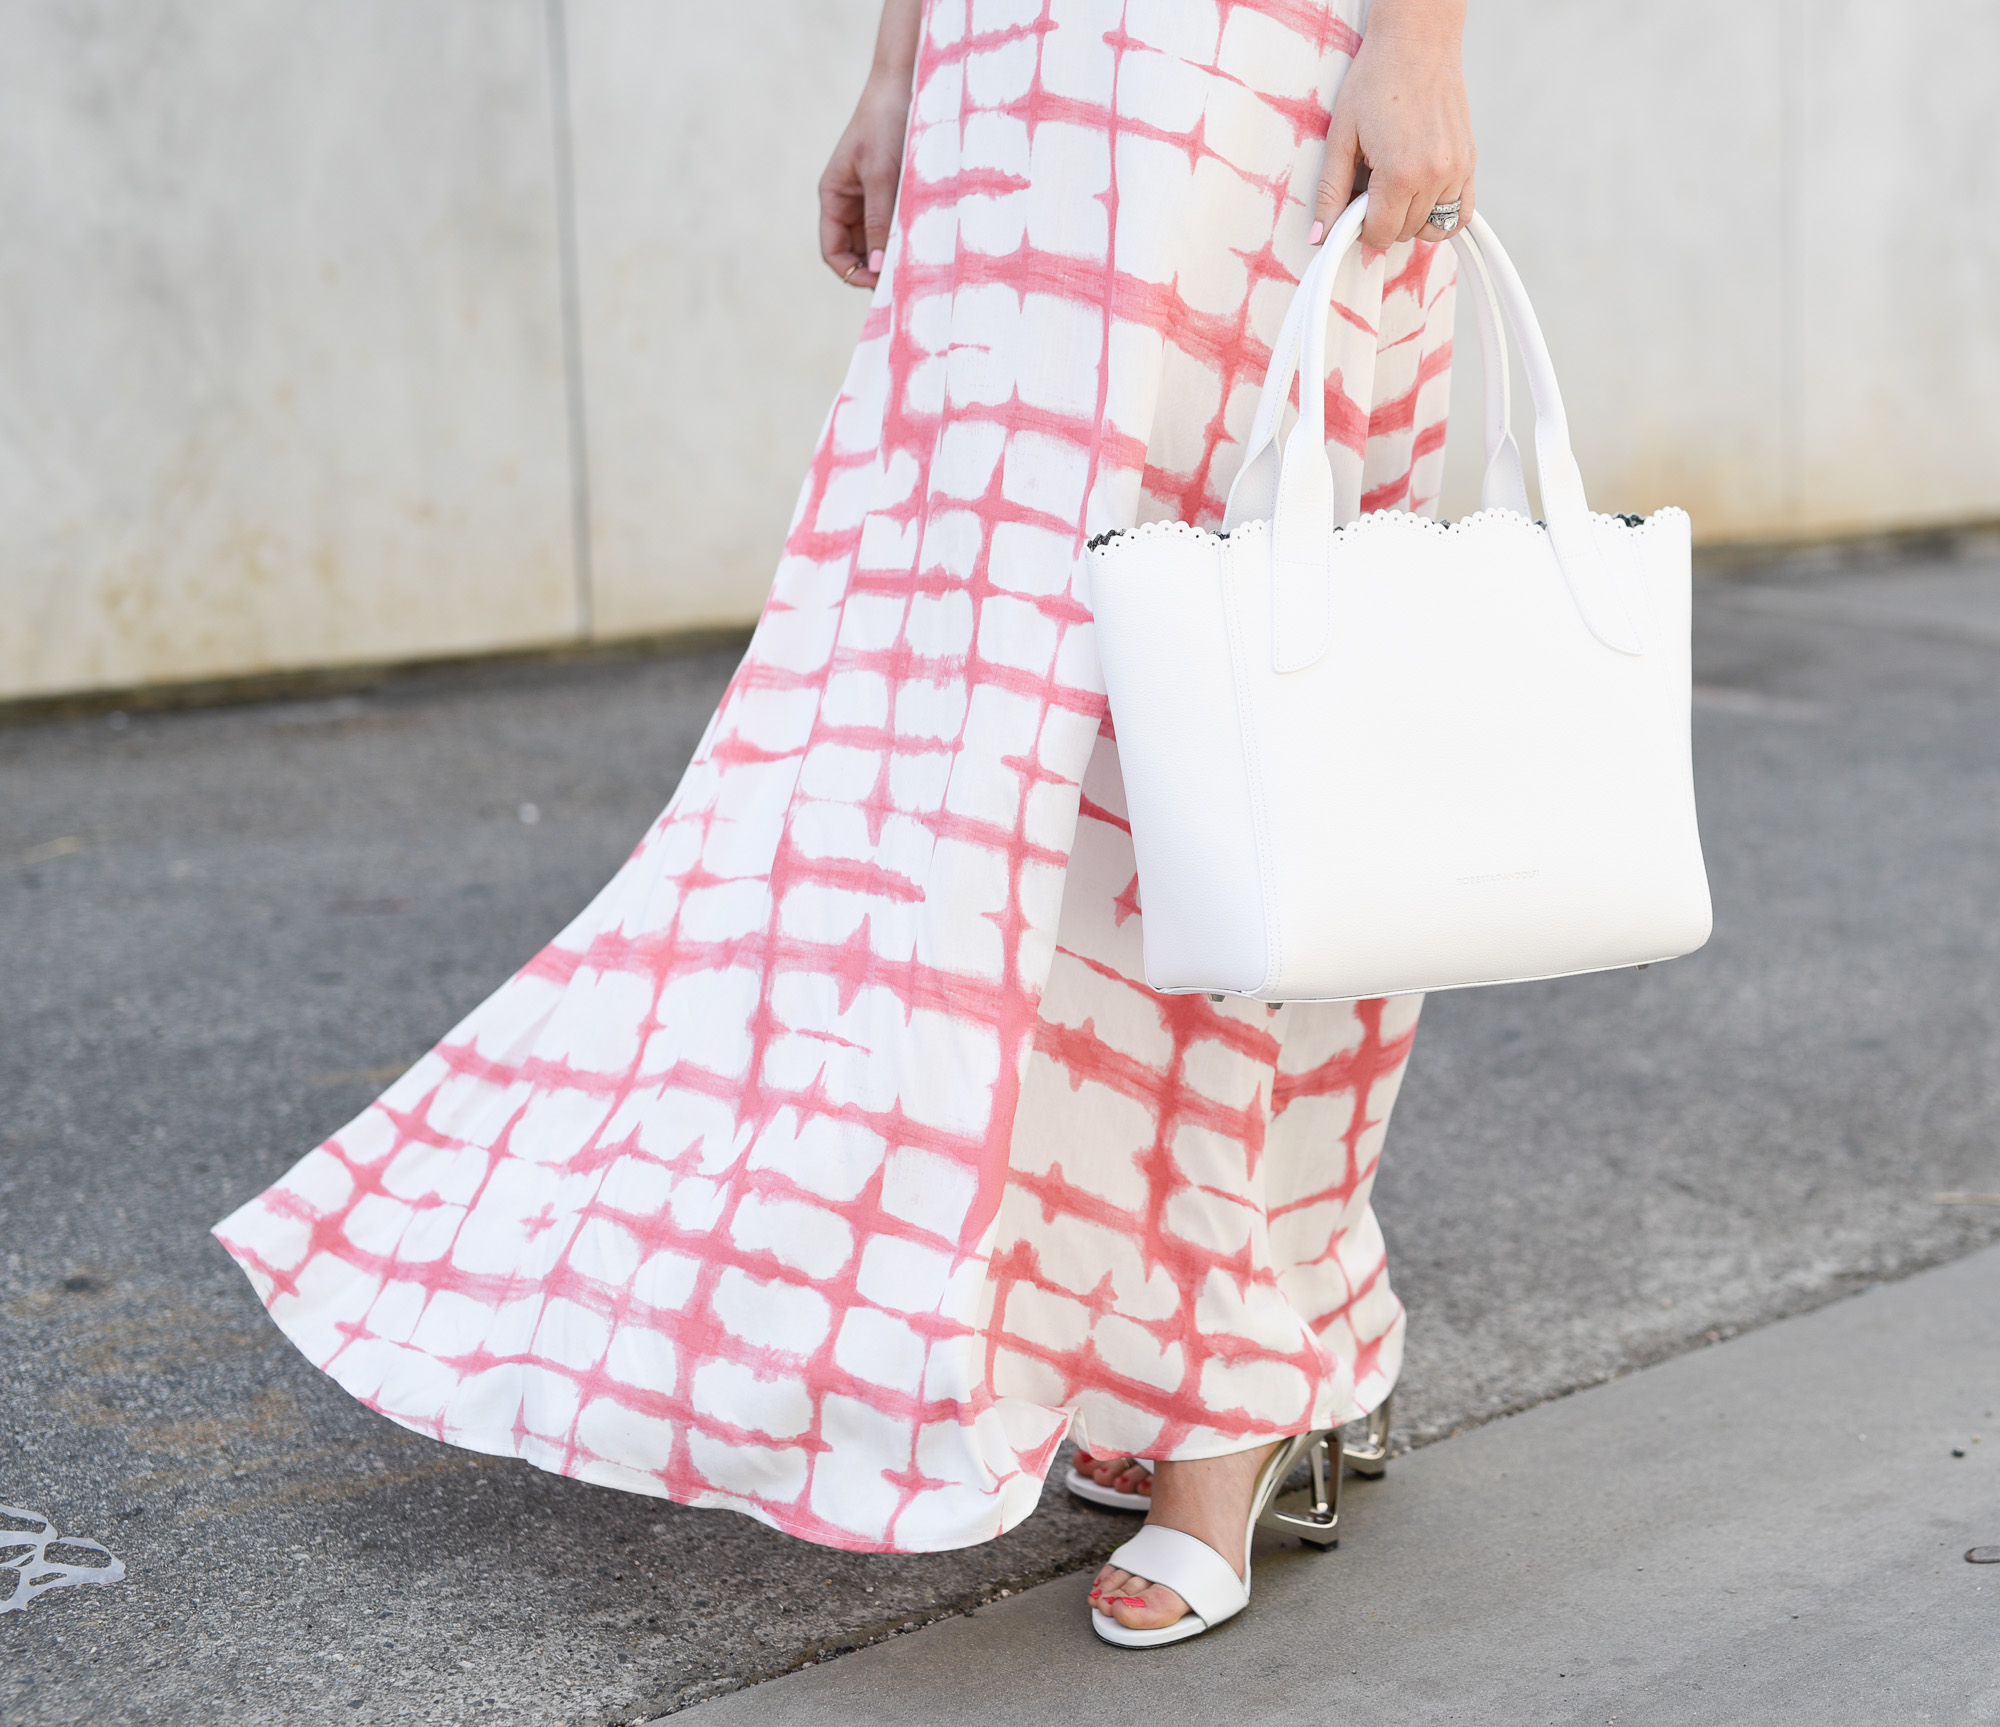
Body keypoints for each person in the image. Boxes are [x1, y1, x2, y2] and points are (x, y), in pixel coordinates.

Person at [216, 0, 1475, 1650]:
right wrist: (895, 70)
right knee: (965, 726)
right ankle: (1163, 1331)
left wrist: (1428, 38)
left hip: (1238, 71)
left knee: (1215, 696)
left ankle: (1227, 1396)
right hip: (1010, 81)